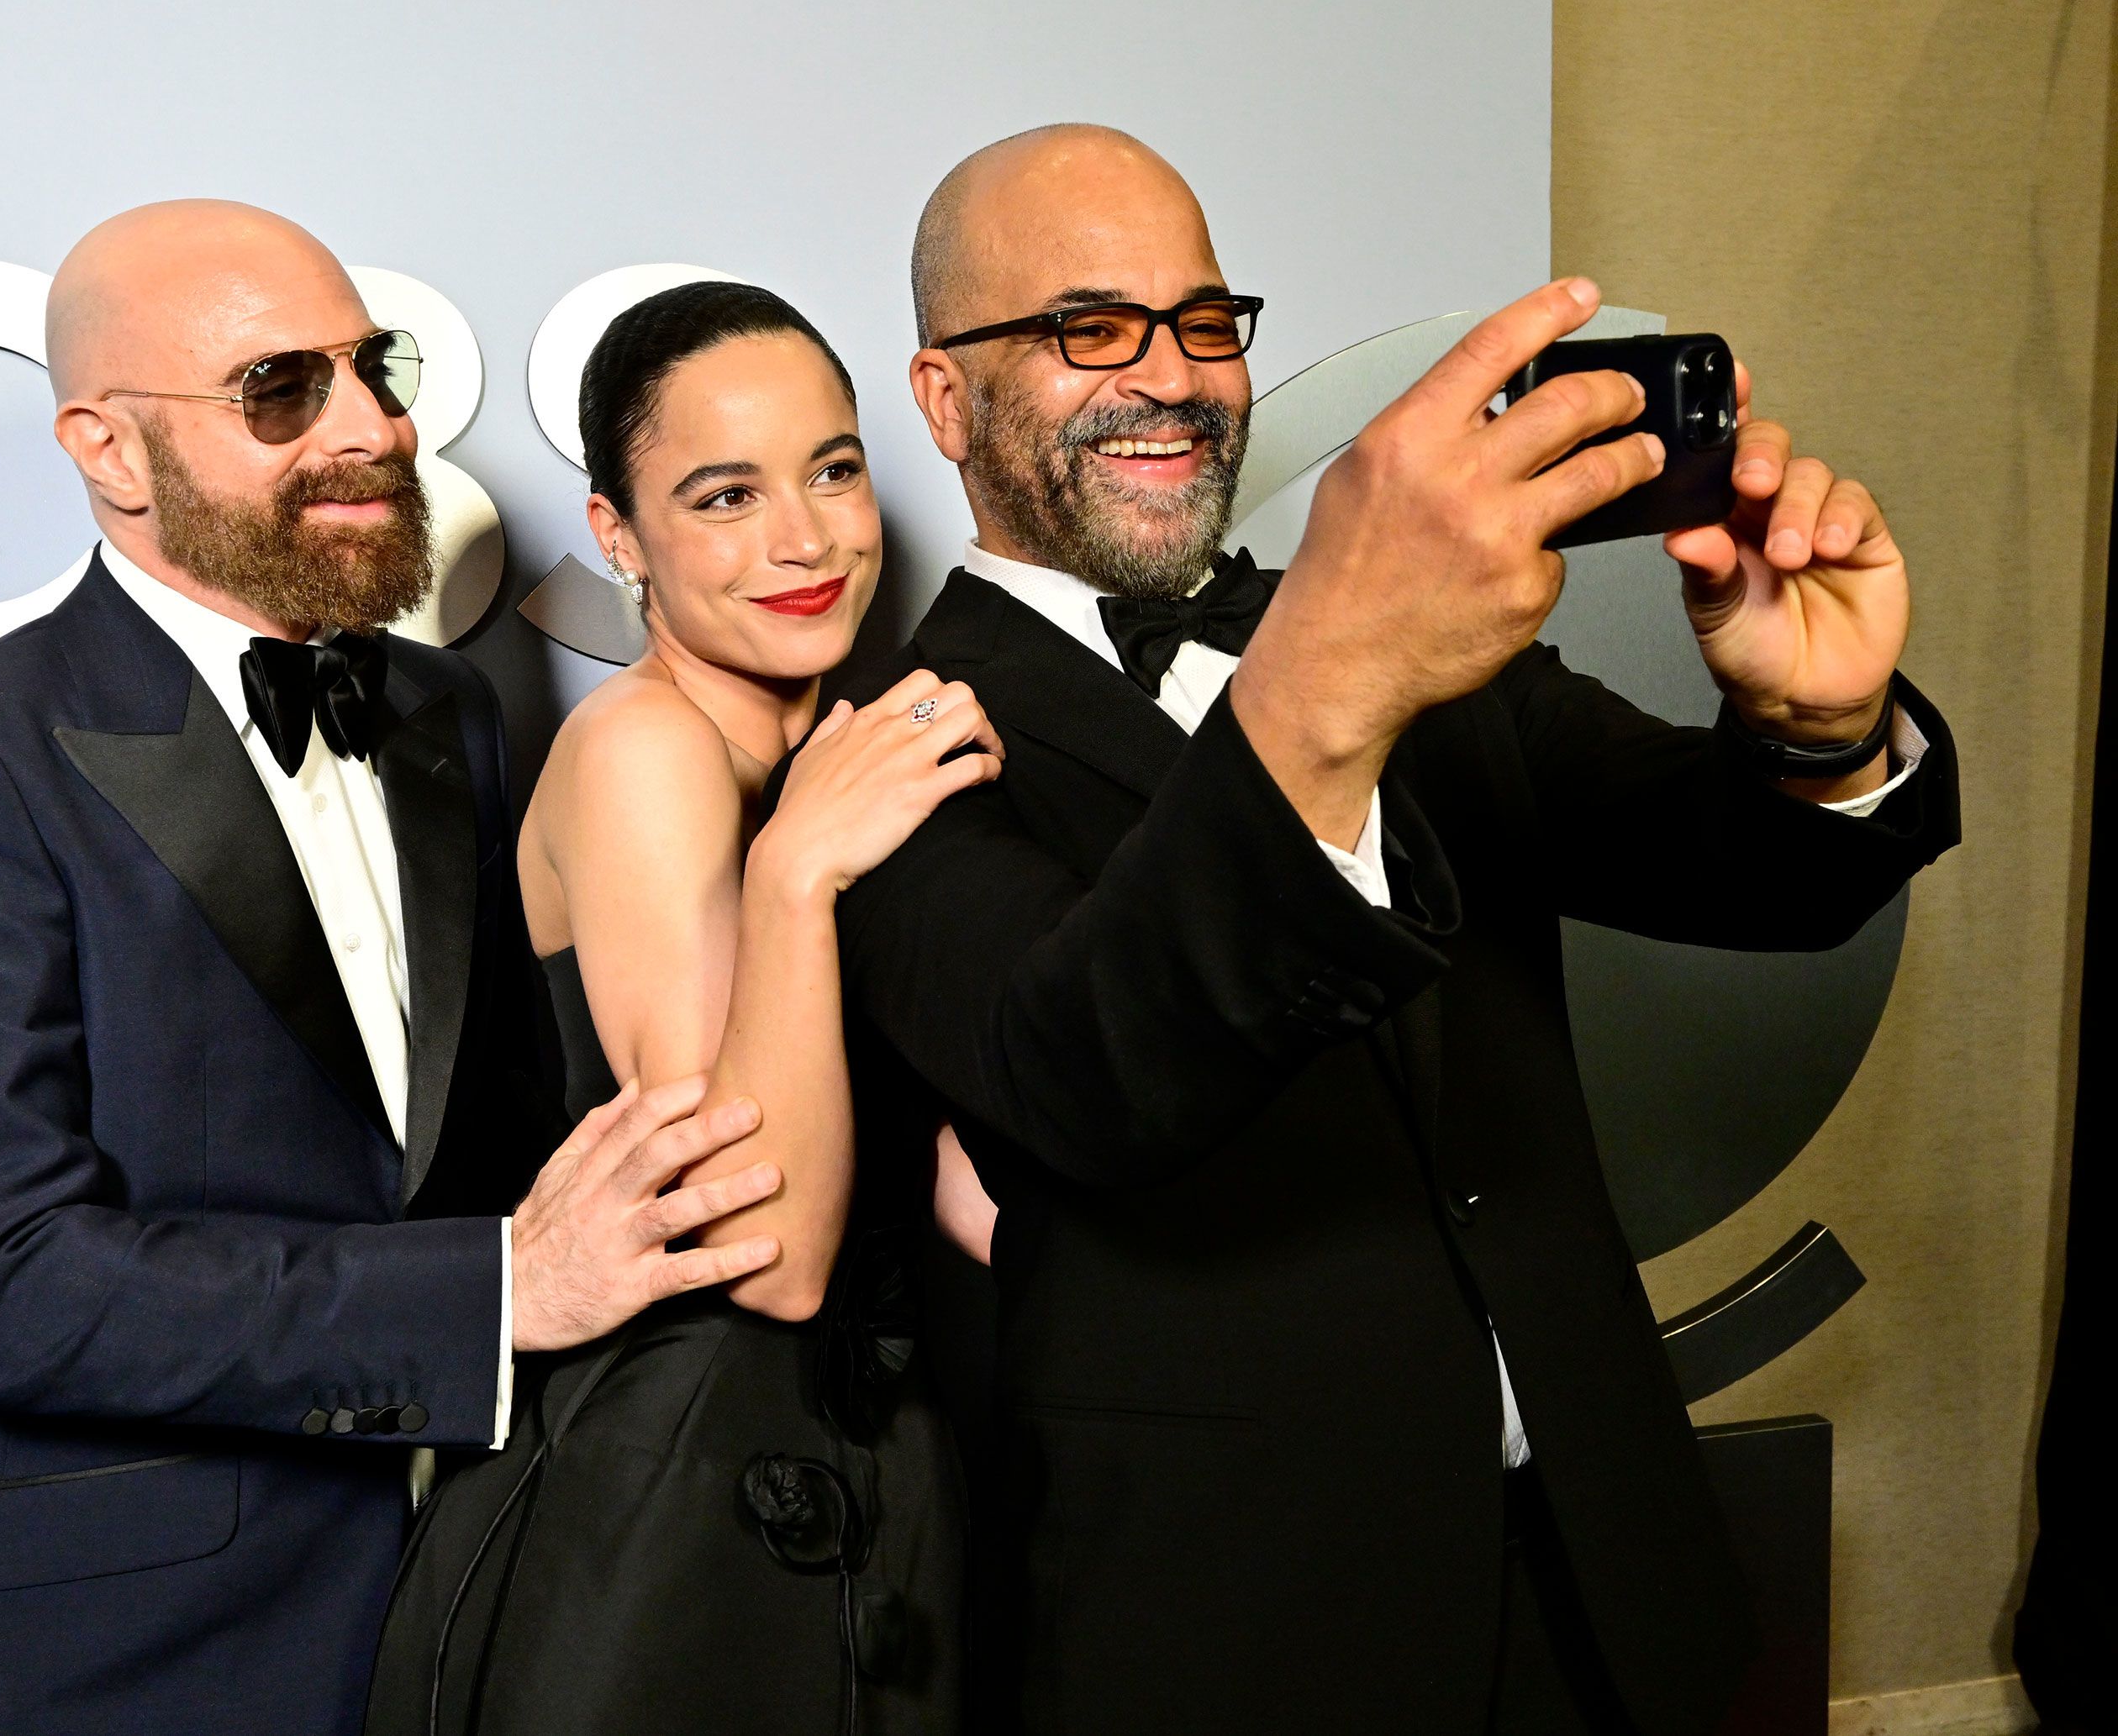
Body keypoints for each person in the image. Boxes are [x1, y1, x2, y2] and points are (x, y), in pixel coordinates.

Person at [802, 124, 1963, 1733]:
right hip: (1244, 1635)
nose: (1173, 376)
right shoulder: (885, 734)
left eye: (1204, 323)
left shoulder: (1418, 634)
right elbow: (1079, 1073)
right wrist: (1323, 692)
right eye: (1089, 328)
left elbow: (1757, 881)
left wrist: (1820, 727)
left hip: (1608, 1584)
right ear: (944, 399)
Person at [0, 201, 782, 1736]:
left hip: (475, 1598)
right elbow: (4, 1286)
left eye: (371, 371)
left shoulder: (444, 714)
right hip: (122, 1647)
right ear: (109, 451)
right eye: (282, 390)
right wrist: (500, 1289)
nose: (373, 428)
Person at [364, 281, 987, 1735]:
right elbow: (762, 1253)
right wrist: (793, 879)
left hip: (883, 1464)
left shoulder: (852, 753)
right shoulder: (644, 746)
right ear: (620, 539)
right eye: (724, 496)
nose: (805, 539)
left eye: (833, 470)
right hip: (680, 1502)